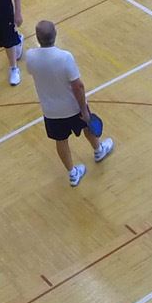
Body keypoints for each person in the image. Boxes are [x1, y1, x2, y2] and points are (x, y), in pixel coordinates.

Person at [24, 20, 115, 186]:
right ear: (55, 35)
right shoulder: (65, 57)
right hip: (73, 107)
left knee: (61, 140)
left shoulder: (30, 57)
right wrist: (84, 110)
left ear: (37, 38)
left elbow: (32, 71)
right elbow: (78, 86)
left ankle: (72, 174)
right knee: (87, 127)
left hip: (50, 111)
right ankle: (98, 150)